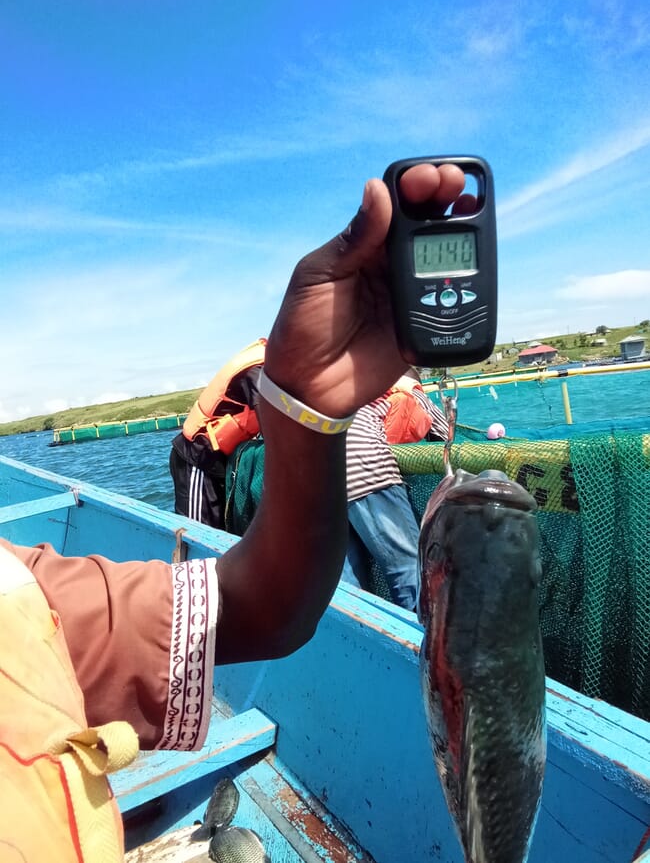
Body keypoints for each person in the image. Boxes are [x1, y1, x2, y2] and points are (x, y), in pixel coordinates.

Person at [0, 162, 472, 861]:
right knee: (400, 571)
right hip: (235, 463)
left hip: (293, 467)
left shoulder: (27, 602)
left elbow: (260, 605)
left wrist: (306, 406)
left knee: (393, 569)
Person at [341, 369, 448, 610]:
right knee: (408, 568)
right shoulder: (408, 388)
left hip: (321, 480)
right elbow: (445, 434)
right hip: (367, 473)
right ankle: (421, 640)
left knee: (346, 581)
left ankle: (362, 639)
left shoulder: (355, 387)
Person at [169, 338, 266, 529]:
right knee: (196, 533)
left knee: (222, 529)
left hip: (223, 463)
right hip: (197, 459)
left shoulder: (273, 368)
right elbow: (270, 421)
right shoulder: (256, 370)